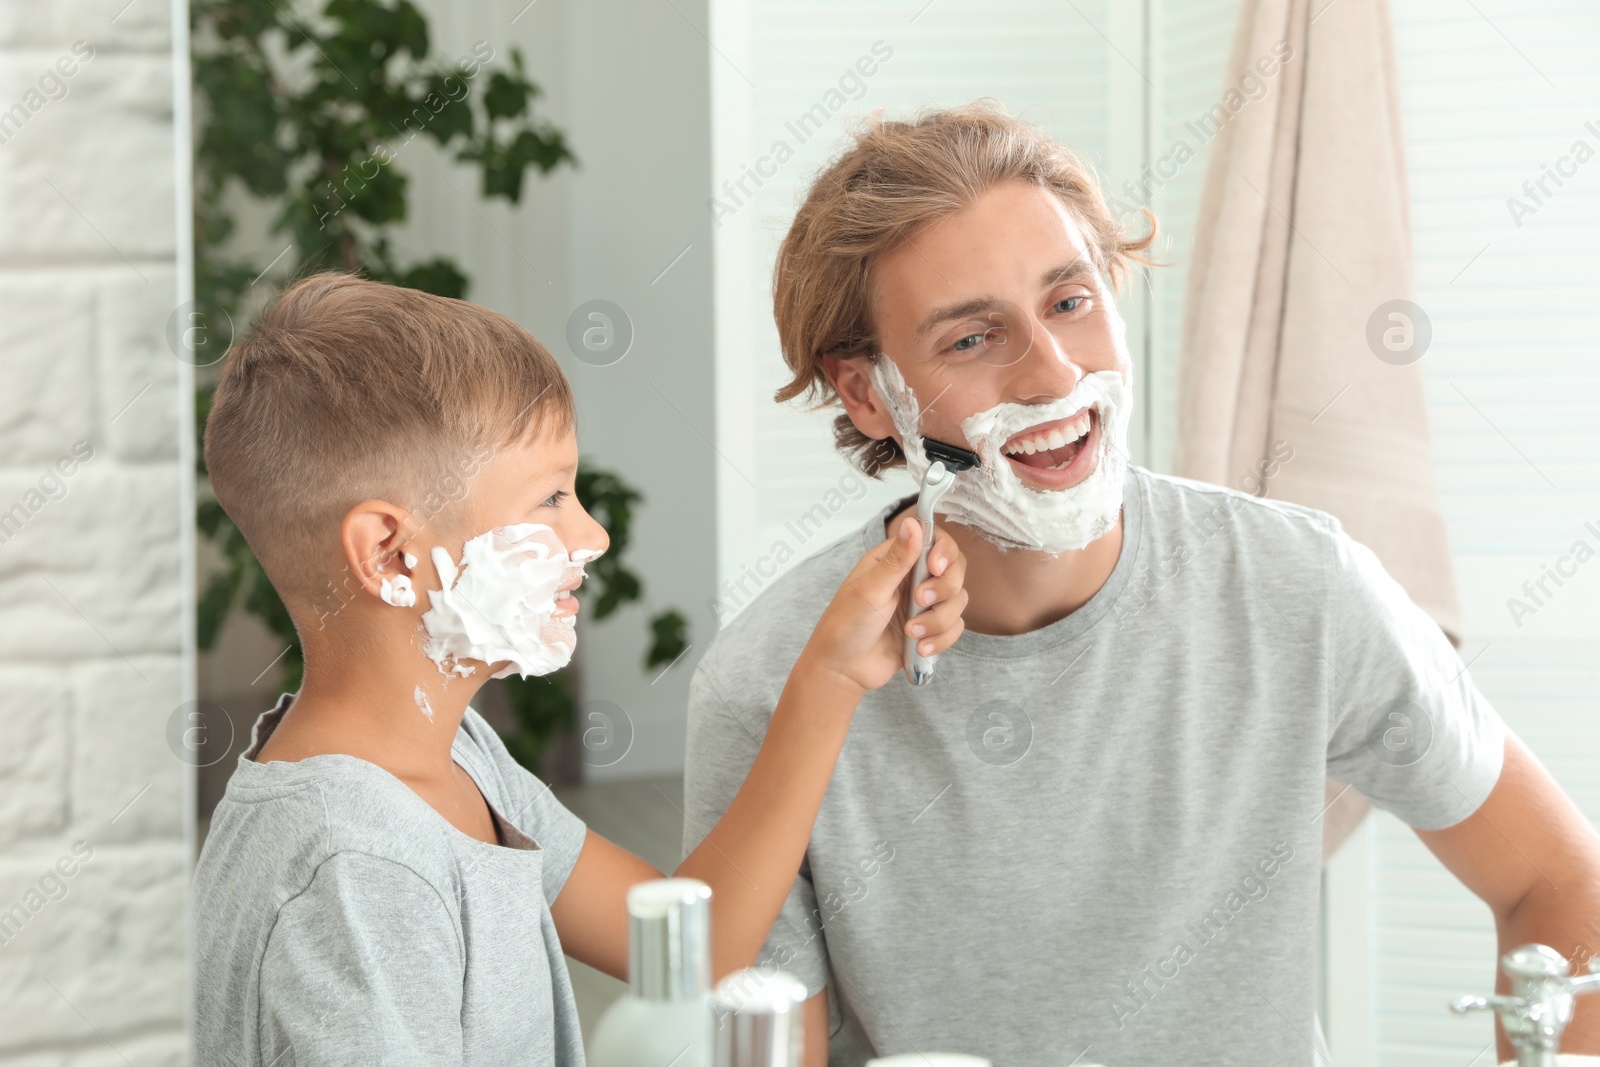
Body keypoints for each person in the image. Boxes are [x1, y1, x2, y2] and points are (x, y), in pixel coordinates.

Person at [682, 101, 1600, 1066]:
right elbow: (762, 1041)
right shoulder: (771, 683)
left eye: (1070, 302)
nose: (1052, 372)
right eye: (971, 339)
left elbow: (1559, 881)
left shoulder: (1297, 586)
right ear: (869, 392)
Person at [192, 272, 968, 1065]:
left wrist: (829, 680)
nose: (592, 535)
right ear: (391, 555)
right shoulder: (355, 873)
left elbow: (697, 948)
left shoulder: (456, 758)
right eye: (551, 499)